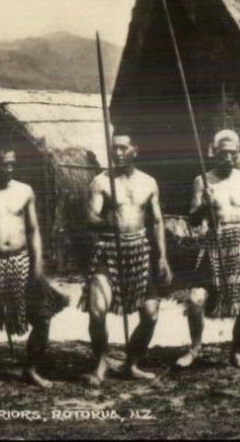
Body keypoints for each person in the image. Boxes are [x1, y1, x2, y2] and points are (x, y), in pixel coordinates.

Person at [0, 145, 69, 389]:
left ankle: (30, 370)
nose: (9, 168)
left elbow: (33, 230)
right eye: (3, 164)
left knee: (43, 318)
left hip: (23, 261)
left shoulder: (25, 191)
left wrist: (37, 263)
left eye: (12, 163)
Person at [80, 130, 172, 385]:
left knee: (151, 314)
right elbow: (90, 218)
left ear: (135, 151)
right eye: (114, 148)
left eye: (123, 148)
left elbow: (156, 221)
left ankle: (131, 363)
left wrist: (162, 256)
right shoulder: (100, 182)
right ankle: (100, 363)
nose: (118, 153)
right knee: (97, 312)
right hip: (108, 251)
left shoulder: (149, 182)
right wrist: (105, 221)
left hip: (140, 250)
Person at [175, 130, 240, 370]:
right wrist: (204, 205)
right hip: (215, 244)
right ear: (213, 152)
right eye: (223, 153)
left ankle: (236, 353)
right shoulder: (202, 181)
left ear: (239, 152)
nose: (227, 157)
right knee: (195, 299)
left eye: (232, 153)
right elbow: (194, 220)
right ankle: (195, 348)